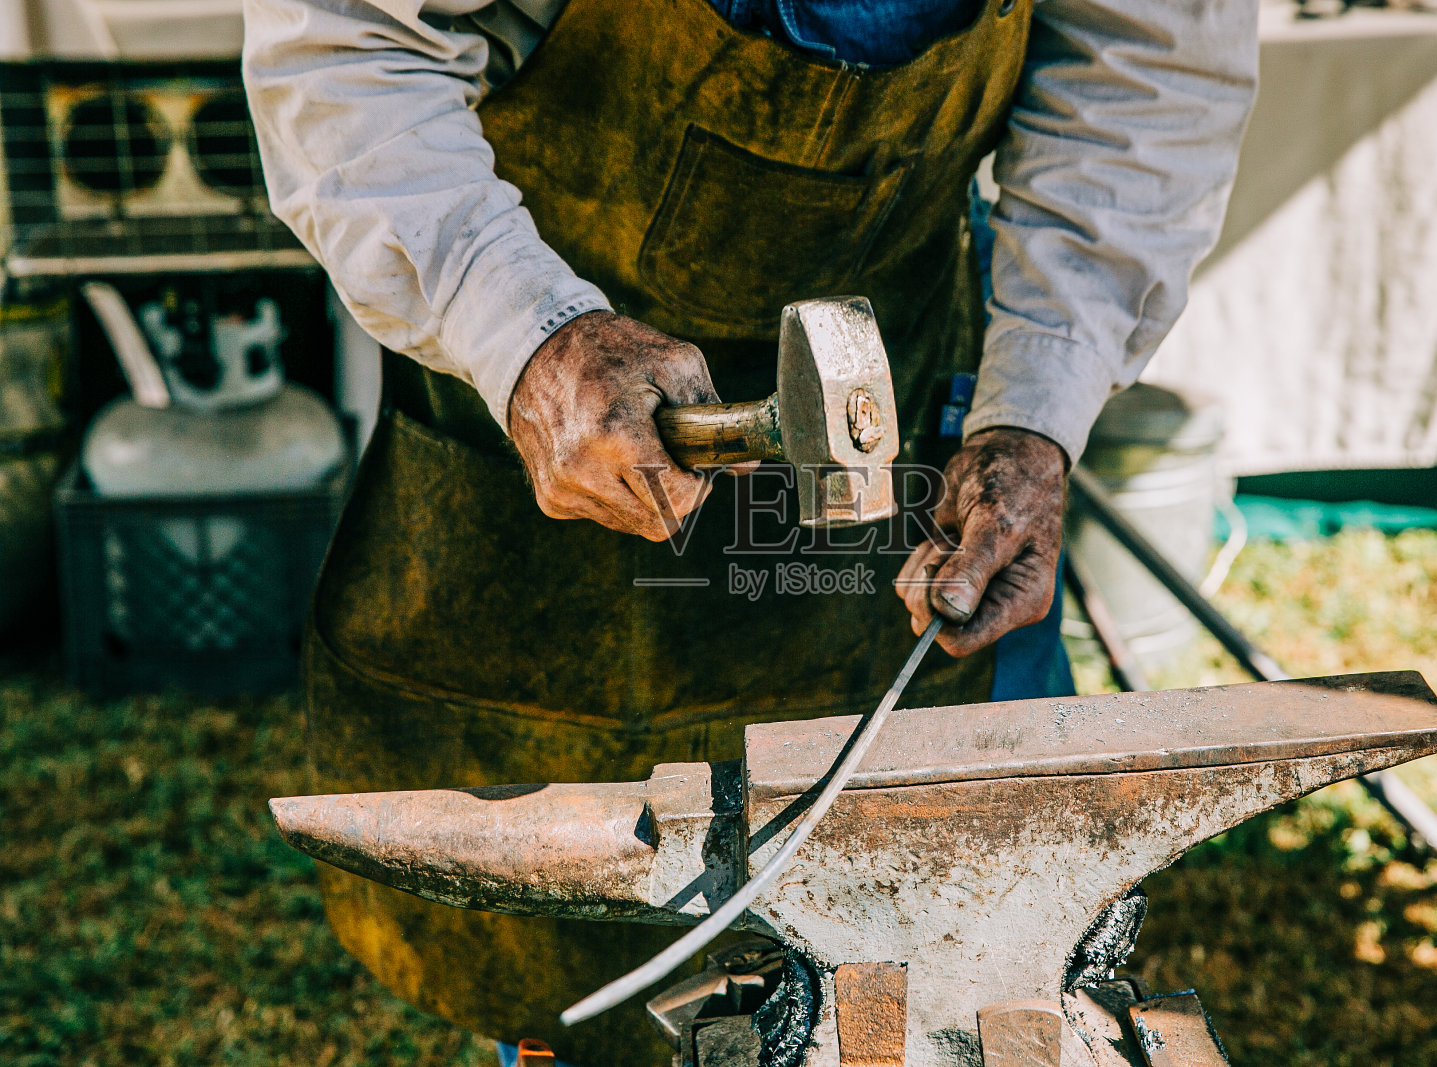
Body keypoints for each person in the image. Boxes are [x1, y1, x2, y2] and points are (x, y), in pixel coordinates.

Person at [242, 0, 1257, 1062]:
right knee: (570, 975)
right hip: (536, 398)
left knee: (946, 943)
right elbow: (345, 46)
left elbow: (1145, 73)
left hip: (904, 387)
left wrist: (1035, 411)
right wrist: (522, 330)